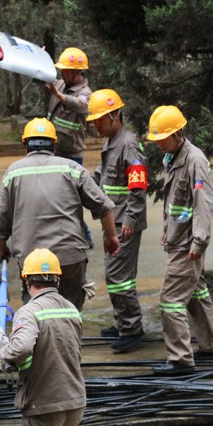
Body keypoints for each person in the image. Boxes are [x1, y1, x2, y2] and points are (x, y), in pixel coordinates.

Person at [0, 118, 120, 309]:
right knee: (70, 313)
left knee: (36, 313)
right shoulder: (72, 169)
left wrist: (1, 246)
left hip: (31, 261)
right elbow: (103, 206)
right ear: (54, 145)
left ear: (26, 145)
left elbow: (2, 219)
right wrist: (111, 237)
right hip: (69, 258)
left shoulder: (13, 172)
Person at [146, 105, 213, 376]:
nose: (157, 143)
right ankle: (212, 345)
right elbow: (177, 202)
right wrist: (168, 228)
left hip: (188, 244)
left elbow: (204, 202)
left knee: (170, 299)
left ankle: (180, 359)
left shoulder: (194, 160)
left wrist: (198, 242)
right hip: (179, 238)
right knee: (196, 293)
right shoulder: (172, 157)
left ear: (178, 133)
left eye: (161, 138)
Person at [0, 248, 86, 426]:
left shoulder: (29, 312)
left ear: (26, 279)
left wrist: (3, 356)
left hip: (44, 406)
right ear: (57, 278)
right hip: (74, 404)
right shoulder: (71, 310)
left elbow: (22, 348)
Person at [86, 89, 148, 353]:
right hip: (114, 219)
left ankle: (132, 329)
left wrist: (131, 220)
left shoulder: (128, 144)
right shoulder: (111, 142)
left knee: (118, 277)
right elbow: (103, 176)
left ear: (115, 115)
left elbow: (138, 186)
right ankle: (123, 321)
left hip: (125, 222)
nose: (95, 124)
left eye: (100, 119)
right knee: (116, 275)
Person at [45, 47, 93, 165]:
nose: (62, 73)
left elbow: (81, 104)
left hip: (72, 155)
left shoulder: (85, 92)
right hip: (54, 150)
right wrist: (39, 60)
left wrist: (59, 95)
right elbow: (41, 76)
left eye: (66, 71)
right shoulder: (60, 84)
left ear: (76, 71)